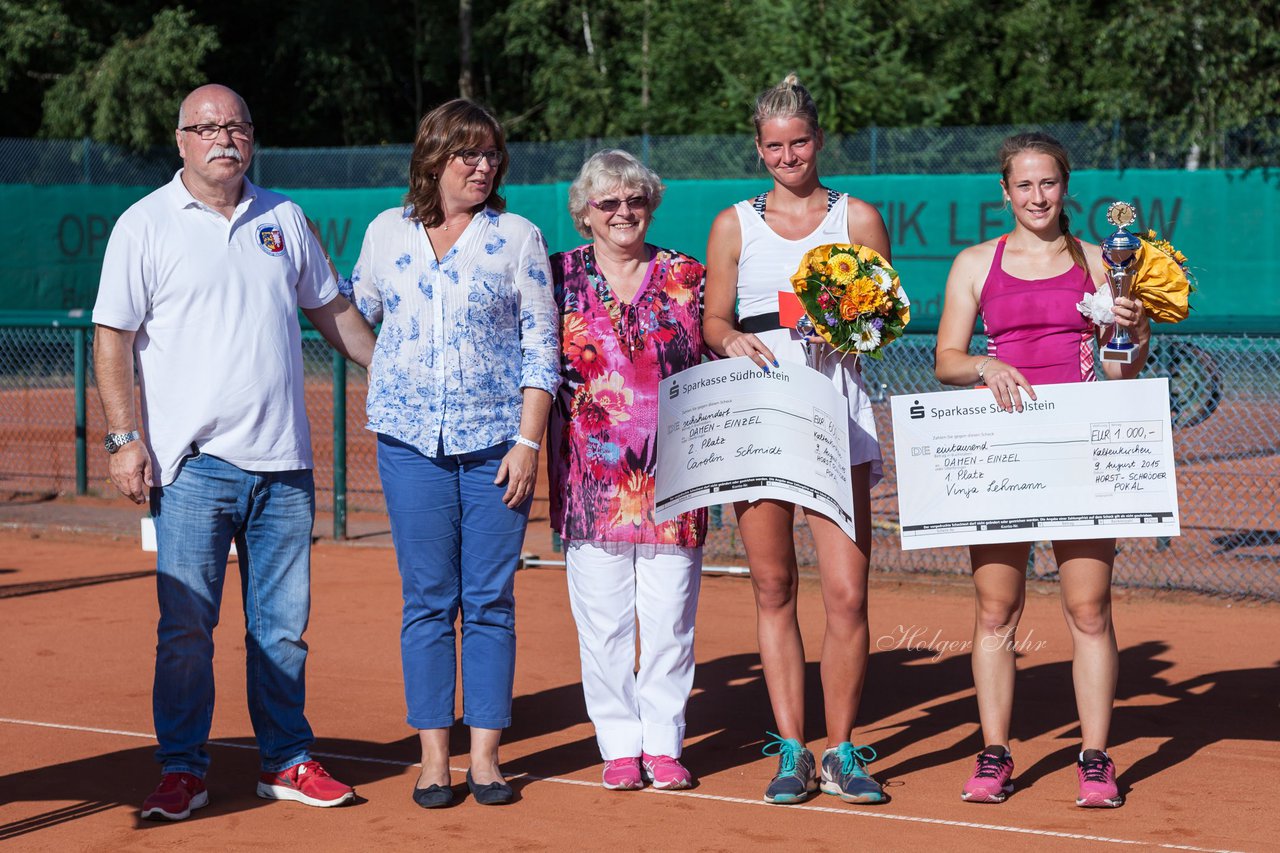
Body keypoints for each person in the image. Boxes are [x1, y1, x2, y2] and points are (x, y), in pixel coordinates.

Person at [93, 84, 375, 821]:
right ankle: (183, 768)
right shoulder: (144, 224)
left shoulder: (283, 215)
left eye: (237, 126)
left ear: (253, 137)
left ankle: (285, 759)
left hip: (284, 465)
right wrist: (126, 441)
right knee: (186, 630)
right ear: (180, 140)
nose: (224, 137)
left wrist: (396, 374)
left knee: (280, 628)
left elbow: (335, 312)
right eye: (207, 126)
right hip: (192, 469)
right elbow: (113, 337)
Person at [343, 99, 558, 809]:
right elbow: (356, 311)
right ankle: (434, 757)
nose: (482, 164)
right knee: (428, 600)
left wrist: (529, 442)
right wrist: (389, 374)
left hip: (499, 446)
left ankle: (487, 758)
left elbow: (542, 346)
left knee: (490, 600)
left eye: (491, 152)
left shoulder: (518, 236)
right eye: (467, 152)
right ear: (433, 157)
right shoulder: (384, 232)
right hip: (410, 447)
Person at [934, 131, 1150, 809]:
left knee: (1088, 609)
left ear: (1066, 187)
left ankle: (1094, 757)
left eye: (1048, 183)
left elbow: (1121, 368)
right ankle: (994, 750)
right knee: (997, 608)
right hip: (1003, 455)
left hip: (1080, 450)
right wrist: (986, 363)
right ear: (1005, 192)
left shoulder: (1101, 261)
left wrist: (1134, 334)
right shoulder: (975, 262)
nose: (1036, 196)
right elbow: (945, 358)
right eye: (1023, 185)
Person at [702, 74, 891, 806]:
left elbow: (881, 319)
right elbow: (715, 320)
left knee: (846, 593)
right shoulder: (733, 224)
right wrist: (730, 344)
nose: (789, 155)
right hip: (758, 419)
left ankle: (842, 750)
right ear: (759, 148)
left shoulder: (859, 218)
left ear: (819, 140)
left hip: (834, 415)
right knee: (774, 585)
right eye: (775, 145)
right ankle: (792, 749)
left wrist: (851, 332)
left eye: (800, 141)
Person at [547, 150, 708, 792]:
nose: (622, 212)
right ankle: (618, 744)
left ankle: (664, 744)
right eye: (608, 202)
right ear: (585, 212)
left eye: (634, 200)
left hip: (675, 478)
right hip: (588, 481)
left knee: (669, 619)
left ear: (651, 204)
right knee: (604, 623)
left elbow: (723, 341)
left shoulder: (688, 275)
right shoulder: (556, 277)